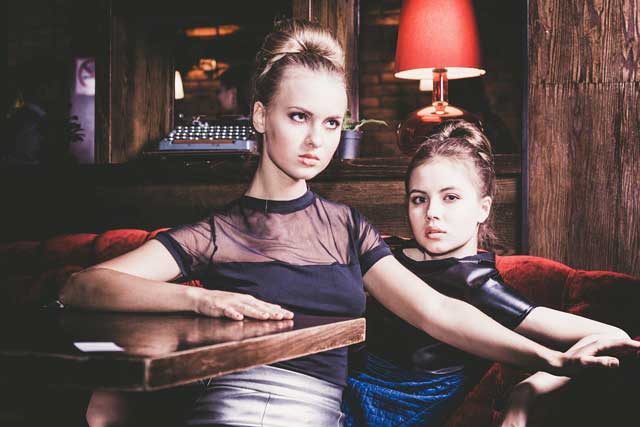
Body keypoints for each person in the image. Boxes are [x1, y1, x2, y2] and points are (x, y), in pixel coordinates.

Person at [58, 19, 639, 427]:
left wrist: (547, 362)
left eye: (332, 123)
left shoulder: (347, 228)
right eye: (298, 116)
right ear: (260, 116)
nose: (316, 139)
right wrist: (202, 300)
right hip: (230, 407)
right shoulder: (217, 231)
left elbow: (439, 310)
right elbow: (84, 286)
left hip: (322, 412)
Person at [343, 120, 638, 427]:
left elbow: (613, 336)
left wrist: (525, 392)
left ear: (483, 208)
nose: (432, 212)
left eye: (450, 197)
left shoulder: (479, 286)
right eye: (419, 199)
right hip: (341, 386)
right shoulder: (386, 256)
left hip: (392, 413)